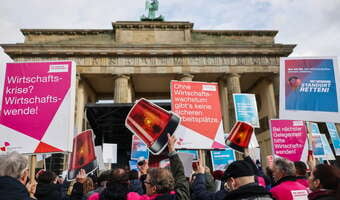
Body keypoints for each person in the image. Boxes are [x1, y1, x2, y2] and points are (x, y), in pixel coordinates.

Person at [127, 133, 190, 200]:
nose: (144, 183)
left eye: (146, 182)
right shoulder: (180, 198)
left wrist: (144, 173)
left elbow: (180, 176)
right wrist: (171, 149)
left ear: (154, 189)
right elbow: (179, 176)